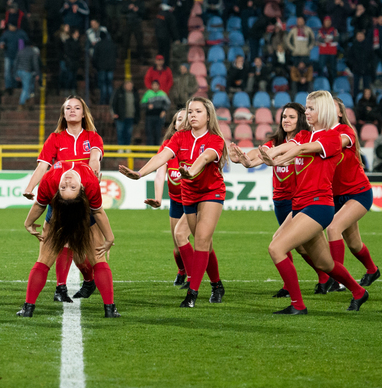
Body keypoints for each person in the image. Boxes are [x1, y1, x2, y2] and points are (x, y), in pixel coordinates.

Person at [254, 91, 371, 314]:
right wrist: (254, 159)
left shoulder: (332, 137)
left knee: (276, 248)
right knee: (325, 264)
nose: (306, 112)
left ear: (323, 110)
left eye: (311, 108)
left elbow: (300, 149)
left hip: (318, 205)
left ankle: (298, 305)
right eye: (306, 108)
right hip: (301, 205)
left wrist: (276, 159)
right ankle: (359, 292)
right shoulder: (303, 135)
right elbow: (285, 147)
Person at [119, 97, 227, 308]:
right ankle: (217, 284)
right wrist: (139, 173)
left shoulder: (215, 139)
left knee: (201, 240)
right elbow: (162, 157)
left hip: (211, 192)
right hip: (189, 194)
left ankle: (192, 294)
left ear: (208, 116)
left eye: (198, 111)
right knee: (204, 243)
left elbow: (205, 157)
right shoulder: (179, 137)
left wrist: (191, 171)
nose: (192, 115)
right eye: (190, 111)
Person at [229, 103, 333, 296]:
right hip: (281, 200)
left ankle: (325, 276)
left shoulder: (305, 141)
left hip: (301, 200)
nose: (286, 120)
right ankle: (300, 282)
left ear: (300, 119)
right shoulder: (276, 141)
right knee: (294, 246)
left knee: (301, 245)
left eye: (291, 117)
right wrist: (244, 157)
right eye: (284, 116)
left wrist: (252, 161)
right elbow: (259, 153)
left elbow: (271, 155)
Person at [22, 96, 104, 301]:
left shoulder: (93, 137)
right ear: (63, 113)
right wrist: (30, 187)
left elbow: (95, 158)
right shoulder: (55, 138)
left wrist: (94, 174)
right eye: (68, 108)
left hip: (82, 201)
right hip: (59, 200)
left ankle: (89, 281)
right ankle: (61, 288)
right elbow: (43, 165)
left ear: (83, 113)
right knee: (62, 243)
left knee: (80, 251)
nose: (72, 110)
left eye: (77, 108)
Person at [17, 159, 118, 318]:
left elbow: (40, 205)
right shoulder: (90, 182)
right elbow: (98, 212)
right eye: (64, 187)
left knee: (43, 260)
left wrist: (28, 223)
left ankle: (27, 308)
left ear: (81, 188)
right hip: (63, 213)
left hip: (70, 215)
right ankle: (110, 310)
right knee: (98, 259)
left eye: (70, 187)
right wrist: (109, 238)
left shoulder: (49, 179)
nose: (67, 182)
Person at [325, 98, 382, 288]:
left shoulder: (345, 130)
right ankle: (372, 270)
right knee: (354, 244)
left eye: (332, 105)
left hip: (358, 192)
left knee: (333, 228)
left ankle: (337, 280)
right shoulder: (319, 134)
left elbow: (336, 143)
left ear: (340, 113)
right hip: (336, 196)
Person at [146, 109, 193, 288]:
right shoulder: (168, 146)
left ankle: (193, 278)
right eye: (179, 119)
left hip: (194, 201)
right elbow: (160, 174)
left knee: (189, 239)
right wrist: (158, 199)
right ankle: (182, 271)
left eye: (186, 119)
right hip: (176, 201)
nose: (183, 122)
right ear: (174, 125)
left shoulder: (196, 145)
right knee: (178, 246)